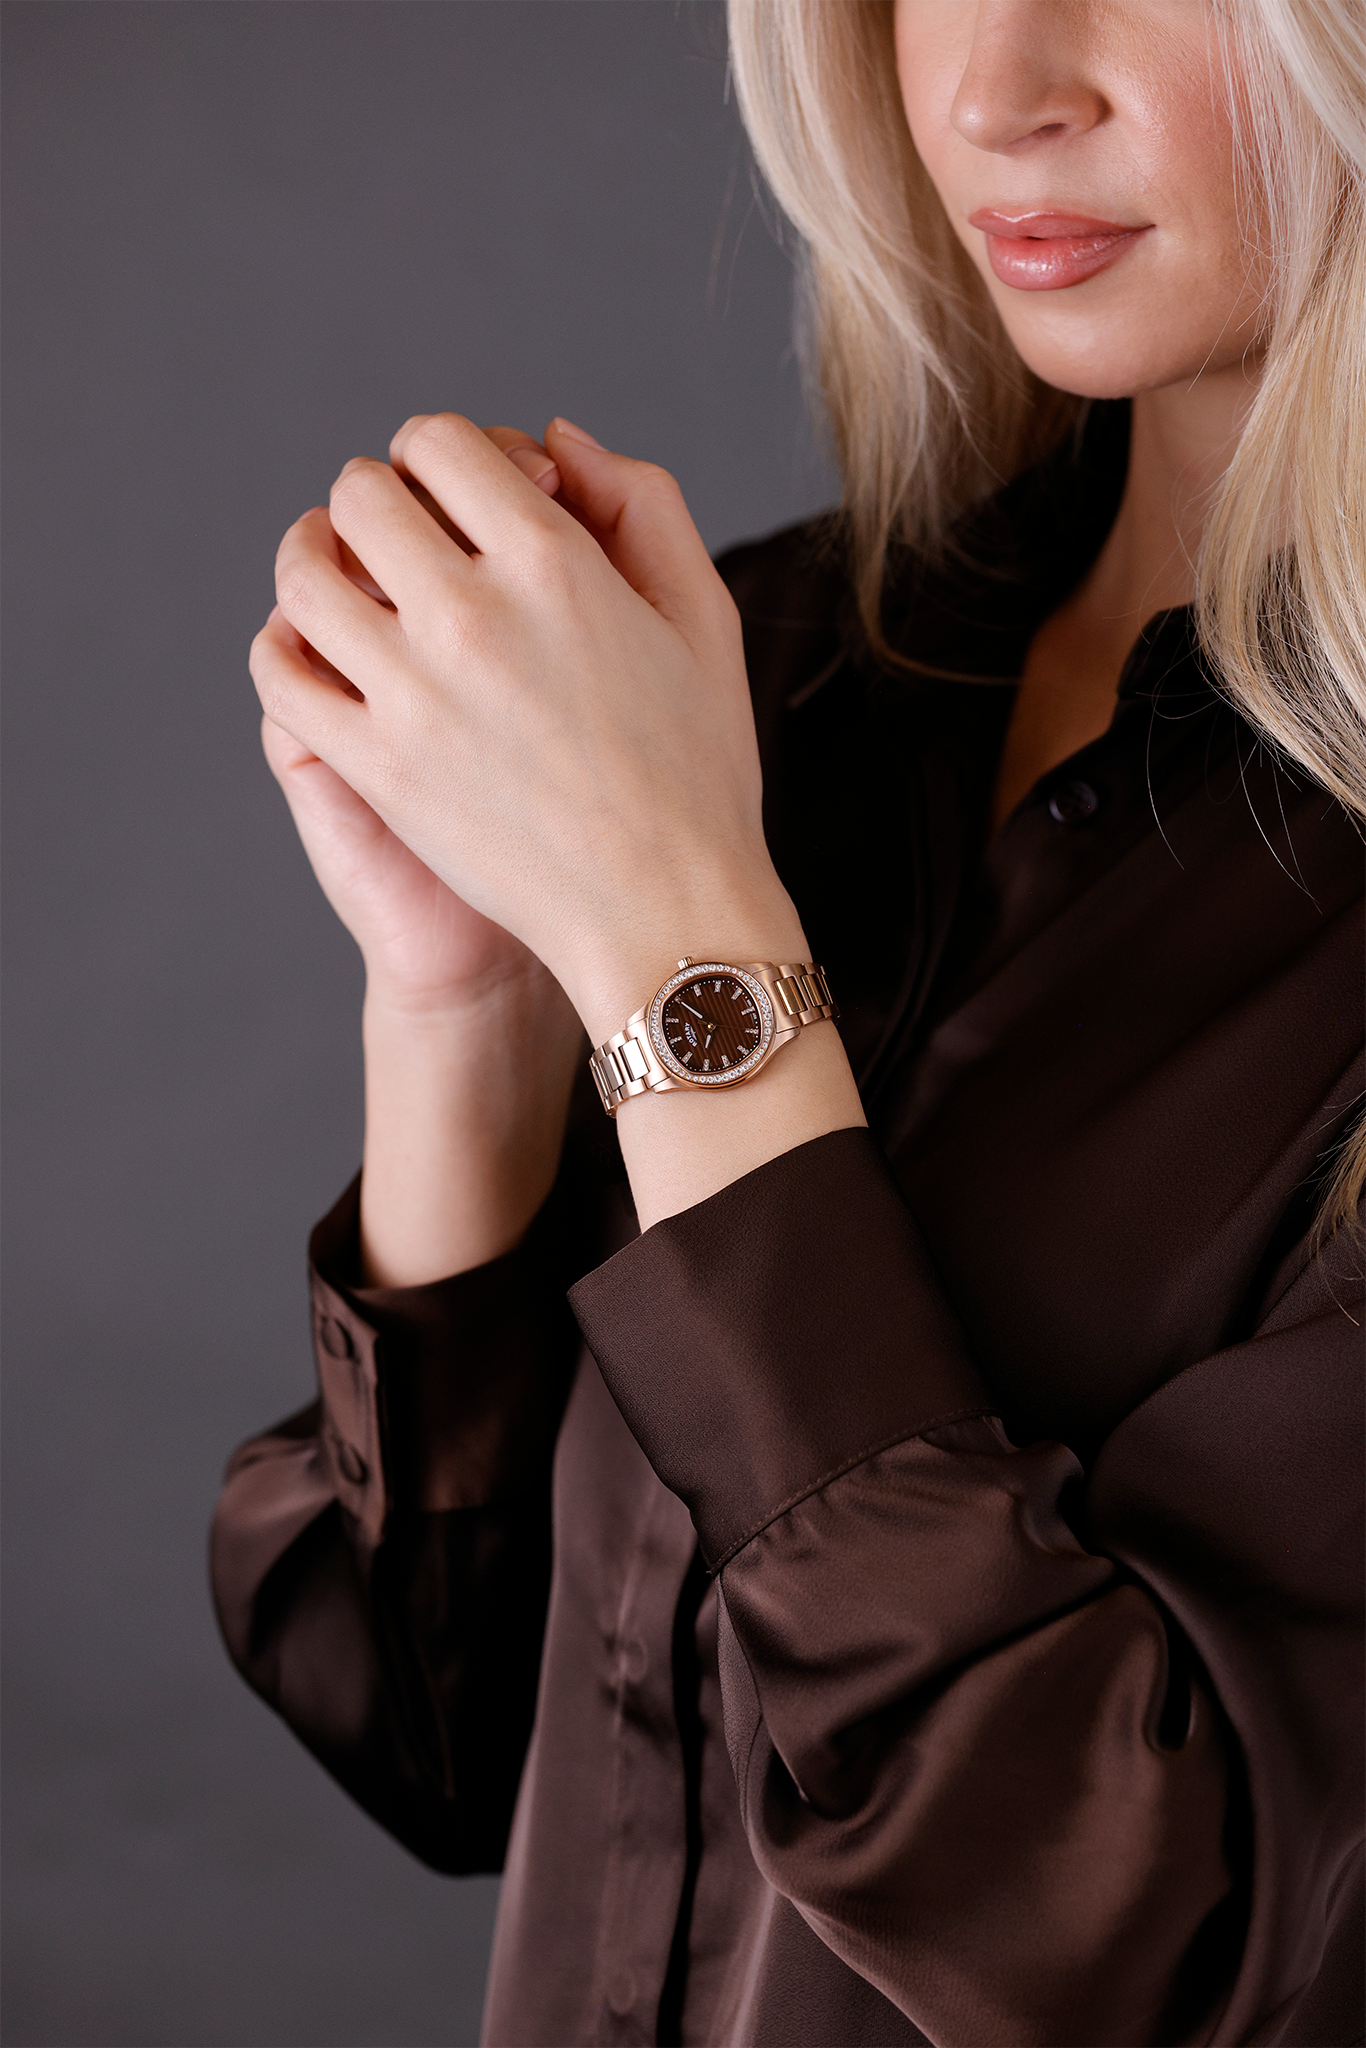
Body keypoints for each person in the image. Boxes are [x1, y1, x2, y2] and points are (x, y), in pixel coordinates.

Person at [210, 0, 1366, 2039]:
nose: (994, 89)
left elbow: (1152, 1943)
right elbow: (437, 1724)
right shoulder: (782, 686)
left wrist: (676, 965)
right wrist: (466, 995)